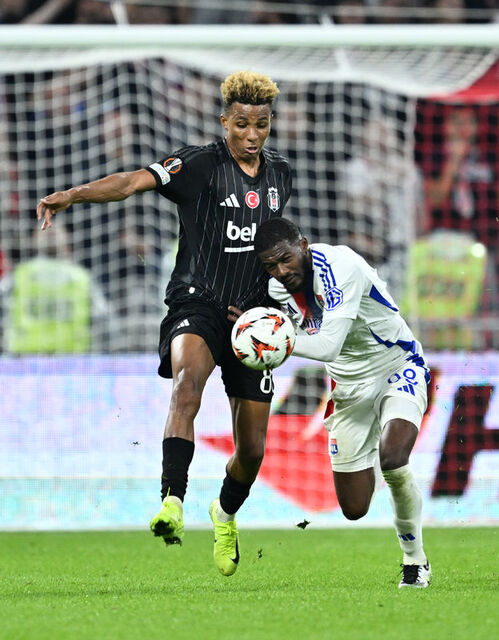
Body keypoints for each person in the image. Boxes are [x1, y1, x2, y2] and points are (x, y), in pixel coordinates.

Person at [37, 71, 292, 576]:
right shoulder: (199, 165)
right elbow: (132, 182)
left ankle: (224, 514)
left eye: (261, 125)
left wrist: (283, 304)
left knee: (252, 450)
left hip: (252, 319)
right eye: (241, 124)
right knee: (186, 385)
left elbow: (276, 247)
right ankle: (172, 501)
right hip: (197, 303)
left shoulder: (281, 174)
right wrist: (73, 194)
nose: (251, 135)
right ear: (224, 122)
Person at [246, 217, 430, 588]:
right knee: (354, 508)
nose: (281, 271)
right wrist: (250, 330)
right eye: (271, 265)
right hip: (347, 388)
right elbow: (287, 330)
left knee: (393, 459)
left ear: (303, 244)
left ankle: (415, 560)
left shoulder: (340, 266)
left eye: (285, 259)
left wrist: (274, 343)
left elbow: (327, 346)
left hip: (397, 365)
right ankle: (373, 455)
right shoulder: (277, 289)